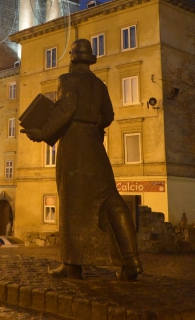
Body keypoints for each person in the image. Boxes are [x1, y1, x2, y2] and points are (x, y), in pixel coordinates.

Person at [21, 39, 144, 281]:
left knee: (70, 205)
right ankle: (131, 261)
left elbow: (65, 109)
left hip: (74, 146)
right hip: (95, 146)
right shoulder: (99, 85)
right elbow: (107, 115)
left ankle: (72, 265)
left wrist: (44, 132)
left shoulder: (67, 80)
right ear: (90, 59)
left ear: (73, 58)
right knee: (110, 198)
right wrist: (94, 124)